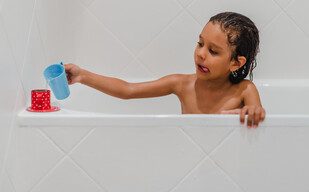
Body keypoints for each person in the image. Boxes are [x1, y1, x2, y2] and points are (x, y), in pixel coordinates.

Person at [64, 12, 266, 128]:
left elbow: (257, 115)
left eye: (213, 51)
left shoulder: (245, 91)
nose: (201, 54)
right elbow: (128, 90)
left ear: (236, 63)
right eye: (200, 43)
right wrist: (82, 75)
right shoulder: (181, 84)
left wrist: (254, 111)